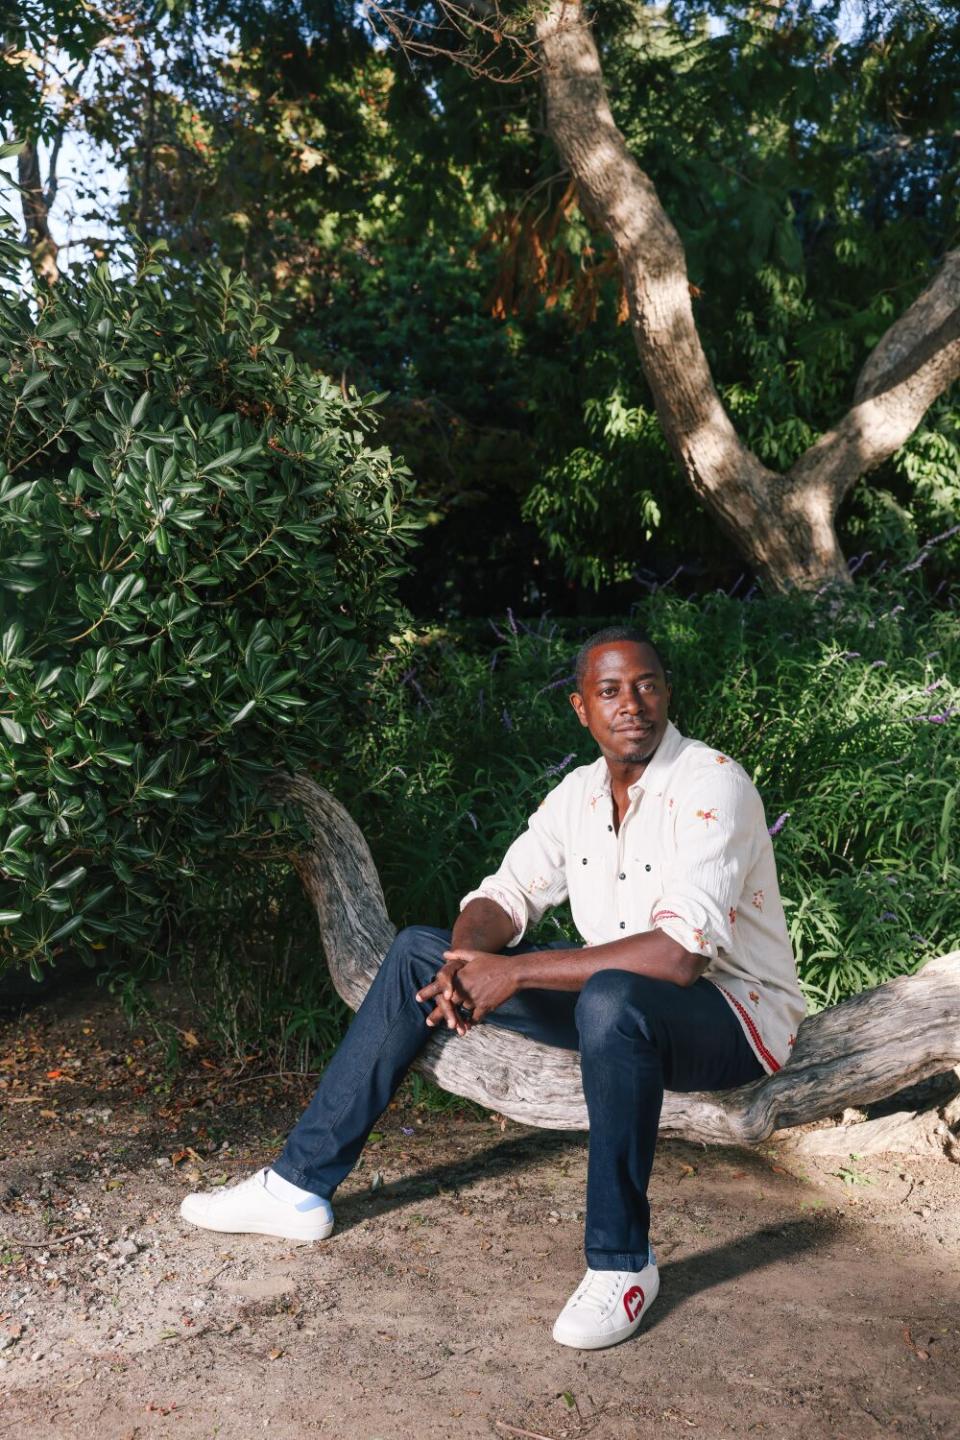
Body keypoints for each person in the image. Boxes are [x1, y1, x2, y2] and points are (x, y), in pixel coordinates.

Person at [180, 627, 805, 1350]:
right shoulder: (578, 794)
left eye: (646, 685)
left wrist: (515, 972)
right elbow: (506, 895)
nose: (630, 703)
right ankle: (298, 1188)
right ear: (581, 709)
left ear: (666, 693)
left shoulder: (711, 782)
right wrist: (467, 961)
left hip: (732, 1016)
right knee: (418, 950)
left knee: (612, 999)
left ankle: (622, 1265)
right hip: (619, 1001)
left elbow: (675, 959)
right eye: (609, 691)